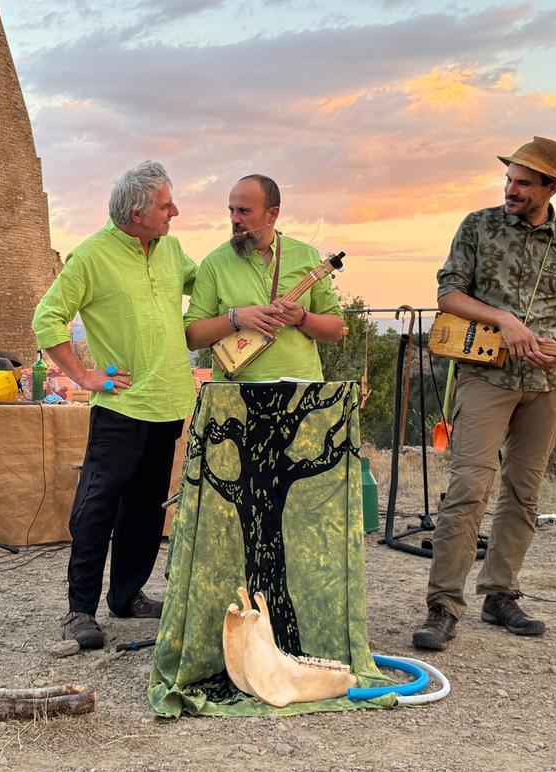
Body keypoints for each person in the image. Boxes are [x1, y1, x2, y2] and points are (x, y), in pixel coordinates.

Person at [413, 136, 556, 651]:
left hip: (546, 384)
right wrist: (504, 321)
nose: (511, 189)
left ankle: (500, 594)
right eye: (509, 179)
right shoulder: (478, 225)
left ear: (551, 187)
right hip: (484, 377)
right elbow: (449, 294)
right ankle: (443, 606)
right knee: (468, 488)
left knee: (523, 491)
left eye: (524, 183)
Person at [32, 161, 197, 650]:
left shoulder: (171, 250)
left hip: (169, 402)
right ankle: (80, 610)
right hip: (121, 407)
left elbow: (206, 283)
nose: (174, 211)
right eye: (166, 205)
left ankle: (126, 596)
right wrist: (83, 376)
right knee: (97, 507)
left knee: (146, 509)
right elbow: (47, 319)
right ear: (137, 213)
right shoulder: (91, 256)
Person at [184, 174, 343, 378]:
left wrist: (301, 318)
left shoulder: (307, 256)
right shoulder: (214, 263)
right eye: (231, 210)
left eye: (244, 211)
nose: (235, 219)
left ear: (272, 214)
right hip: (235, 394)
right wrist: (235, 318)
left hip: (301, 391)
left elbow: (335, 330)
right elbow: (193, 337)